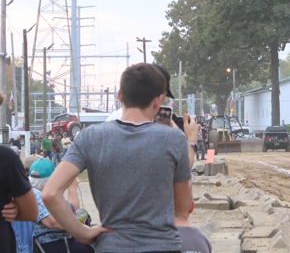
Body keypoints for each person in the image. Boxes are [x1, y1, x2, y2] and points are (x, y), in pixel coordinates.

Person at [42, 62, 199, 252]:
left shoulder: (90, 137)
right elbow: (181, 207)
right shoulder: (173, 139)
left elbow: (50, 193)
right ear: (158, 100)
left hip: (112, 245)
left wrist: (82, 232)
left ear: (120, 96)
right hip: (162, 245)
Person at [1, 91, 39, 251]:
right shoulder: (6, 159)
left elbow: (30, 212)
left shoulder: (6, 159)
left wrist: (15, 211)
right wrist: (16, 211)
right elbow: (31, 212)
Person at [28, 157, 93, 253]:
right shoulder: (36, 195)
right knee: (96, 245)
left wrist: (72, 188)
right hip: (52, 243)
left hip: (59, 240)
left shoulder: (42, 193)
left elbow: (71, 211)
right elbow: (52, 222)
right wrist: (80, 228)